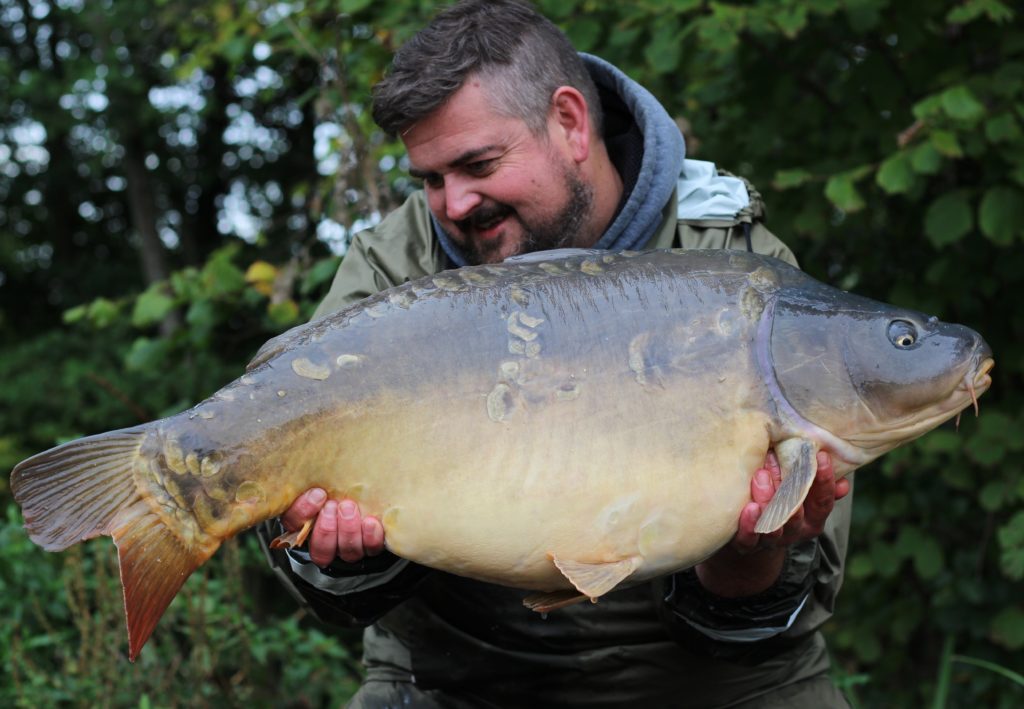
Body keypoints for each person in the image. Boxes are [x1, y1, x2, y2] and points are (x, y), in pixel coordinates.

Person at [258, 1, 853, 706]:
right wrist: (353, 550)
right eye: (429, 178)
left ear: (570, 122)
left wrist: (752, 555)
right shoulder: (396, 266)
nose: (452, 204)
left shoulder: (734, 268)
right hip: (459, 676)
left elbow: (770, 615)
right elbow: (318, 580)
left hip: (711, 683)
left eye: (478, 163)